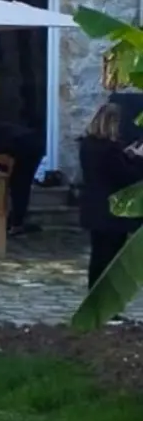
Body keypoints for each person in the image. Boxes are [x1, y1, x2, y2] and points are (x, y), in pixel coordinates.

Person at [78, 101, 143, 288]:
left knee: (98, 256)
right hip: (111, 212)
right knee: (110, 259)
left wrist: (127, 155)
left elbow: (107, 170)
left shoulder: (88, 144)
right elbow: (126, 176)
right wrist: (139, 158)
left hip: (93, 207)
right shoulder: (109, 149)